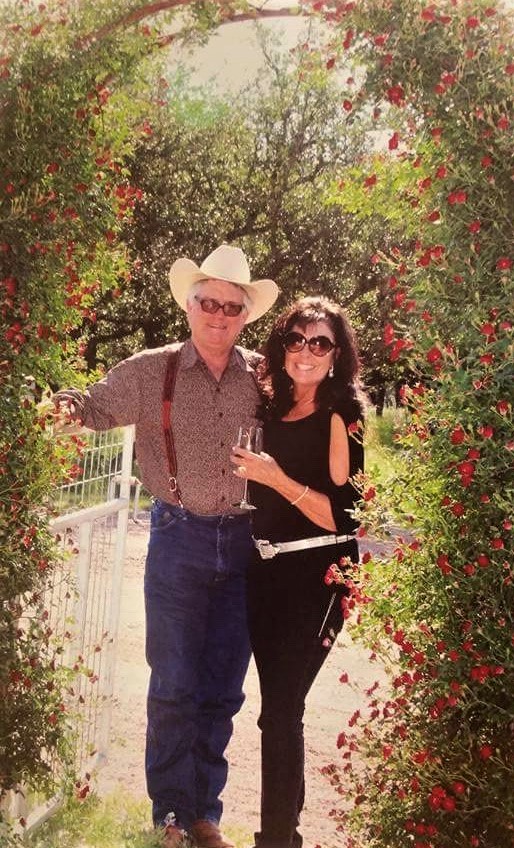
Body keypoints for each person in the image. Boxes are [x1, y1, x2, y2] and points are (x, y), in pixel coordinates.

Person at [53, 245, 279, 848]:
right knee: (174, 683)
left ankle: (206, 812)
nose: (219, 314)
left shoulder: (263, 374)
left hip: (244, 543)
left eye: (232, 306)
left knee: (222, 689)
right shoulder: (153, 369)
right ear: (190, 304)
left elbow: (309, 417)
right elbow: (94, 404)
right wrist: (65, 407)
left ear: (244, 315)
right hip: (178, 537)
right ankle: (171, 816)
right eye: (209, 301)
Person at [230, 296, 365, 848]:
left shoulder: (344, 415)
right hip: (267, 574)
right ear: (282, 349)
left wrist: (276, 477)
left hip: (322, 575)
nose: (307, 351)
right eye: (297, 340)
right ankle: (285, 834)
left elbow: (345, 515)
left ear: (337, 354)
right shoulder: (272, 408)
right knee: (278, 711)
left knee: (281, 709)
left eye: (321, 342)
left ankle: (277, 839)